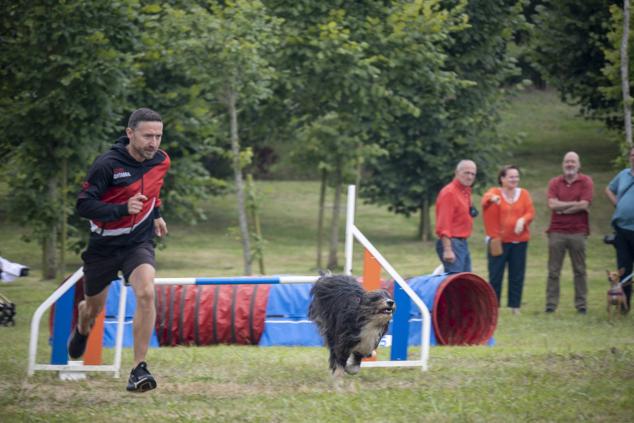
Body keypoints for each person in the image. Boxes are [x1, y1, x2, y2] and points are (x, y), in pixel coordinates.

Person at [68, 108, 170, 392]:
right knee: (94, 308)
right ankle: (82, 323)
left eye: (158, 136)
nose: (154, 142)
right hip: (104, 245)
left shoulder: (161, 160)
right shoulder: (107, 164)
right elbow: (83, 204)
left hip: (138, 242)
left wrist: (157, 213)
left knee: (146, 291)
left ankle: (139, 369)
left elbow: (154, 189)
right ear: (130, 133)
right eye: (147, 135)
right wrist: (122, 209)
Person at [482, 165, 535, 315]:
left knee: (517, 274)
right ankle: (493, 307)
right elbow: (485, 200)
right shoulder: (495, 192)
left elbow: (530, 212)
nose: (514, 179)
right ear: (502, 179)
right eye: (511, 177)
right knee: (495, 275)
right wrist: (493, 199)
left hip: (519, 242)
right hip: (498, 242)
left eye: (516, 176)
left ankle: (515, 306)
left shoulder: (524, 194)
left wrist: (522, 220)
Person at [545, 152, 593, 314]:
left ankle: (581, 305)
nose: (570, 164)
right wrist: (575, 204)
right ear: (562, 164)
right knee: (553, 271)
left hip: (578, 232)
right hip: (556, 231)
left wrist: (563, 208)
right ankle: (551, 305)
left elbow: (584, 204)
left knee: (579, 270)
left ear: (579, 164)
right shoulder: (554, 182)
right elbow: (552, 204)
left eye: (573, 161)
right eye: (567, 161)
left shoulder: (586, 181)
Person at [605, 146, 634, 313]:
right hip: (622, 229)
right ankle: (624, 306)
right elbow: (609, 189)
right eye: (632, 155)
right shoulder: (623, 174)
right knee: (624, 268)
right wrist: (618, 204)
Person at [435, 160, 477, 273]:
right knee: (456, 283)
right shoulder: (449, 193)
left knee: (465, 280)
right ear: (457, 172)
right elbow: (444, 224)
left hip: (462, 243)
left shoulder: (465, 192)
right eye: (466, 173)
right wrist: (448, 249)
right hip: (452, 243)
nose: (469, 177)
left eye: (473, 174)